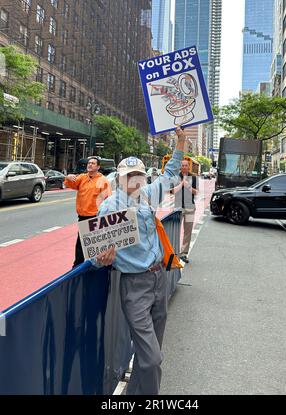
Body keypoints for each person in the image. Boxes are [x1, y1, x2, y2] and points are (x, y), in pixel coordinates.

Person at [94, 127, 187, 395]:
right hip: (134, 286)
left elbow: (169, 175)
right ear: (120, 179)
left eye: (139, 175)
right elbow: (97, 254)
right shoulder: (110, 207)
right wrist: (102, 259)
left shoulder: (146, 194)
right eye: (129, 176)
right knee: (152, 360)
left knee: (150, 358)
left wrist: (180, 142)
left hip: (159, 278)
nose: (135, 179)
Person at [64, 156, 112, 268]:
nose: (90, 165)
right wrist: (68, 177)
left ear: (98, 167)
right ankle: (77, 267)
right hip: (82, 217)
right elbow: (70, 184)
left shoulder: (103, 181)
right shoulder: (82, 178)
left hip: (95, 218)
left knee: (96, 245)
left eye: (93, 163)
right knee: (80, 244)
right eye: (89, 163)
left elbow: (108, 200)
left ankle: (99, 267)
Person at [171, 159, 199, 263]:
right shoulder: (175, 177)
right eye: (182, 165)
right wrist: (181, 184)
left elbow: (196, 192)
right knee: (176, 231)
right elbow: (172, 191)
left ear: (188, 167)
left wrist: (188, 186)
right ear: (180, 166)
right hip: (178, 207)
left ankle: (183, 254)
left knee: (188, 232)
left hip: (190, 207)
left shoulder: (193, 177)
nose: (184, 167)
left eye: (186, 165)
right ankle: (174, 252)